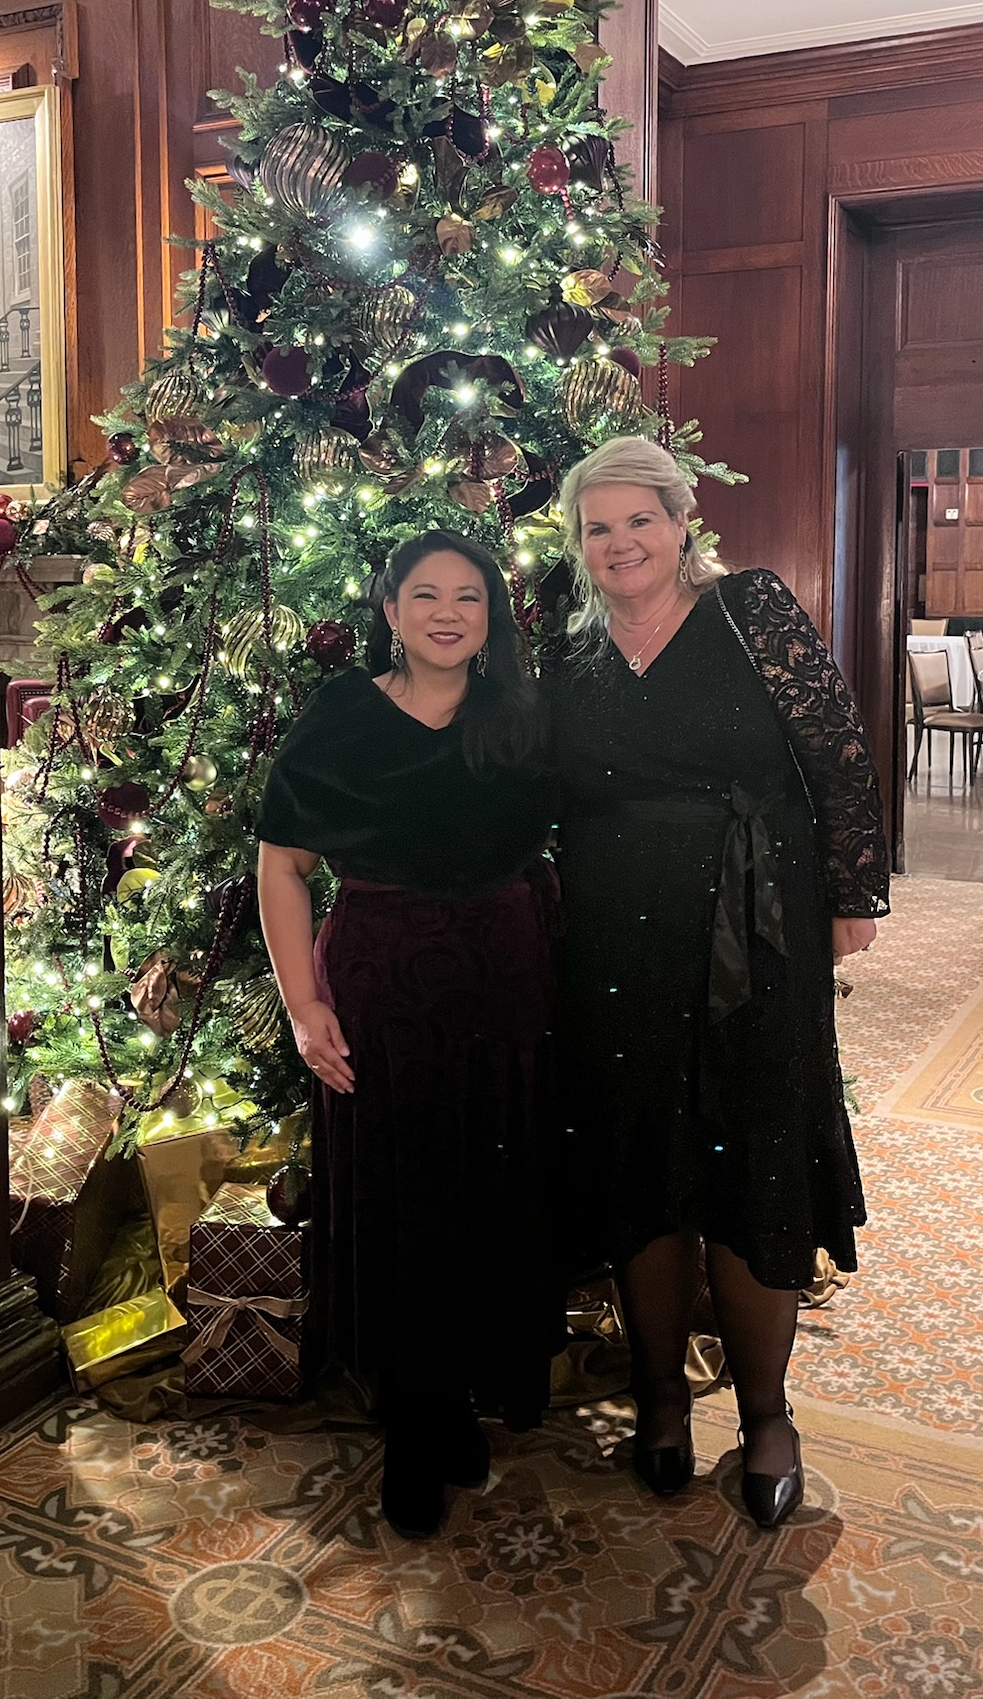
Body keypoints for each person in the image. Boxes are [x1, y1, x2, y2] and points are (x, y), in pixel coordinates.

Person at [544, 437, 889, 1530]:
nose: (620, 544)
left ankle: (767, 1413)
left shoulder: (752, 609)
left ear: (681, 519)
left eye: (639, 519)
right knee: (642, 1159)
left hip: (758, 925)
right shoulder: (569, 649)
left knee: (756, 1155)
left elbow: (837, 751)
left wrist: (851, 892)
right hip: (613, 943)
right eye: (598, 527)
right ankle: (658, 1395)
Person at [256, 528, 562, 1538]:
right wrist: (303, 1003)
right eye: (424, 594)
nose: (446, 613)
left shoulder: (520, 714)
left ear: (491, 617)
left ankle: (458, 1394)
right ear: (389, 610)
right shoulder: (343, 713)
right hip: (382, 988)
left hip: (502, 985)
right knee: (400, 1192)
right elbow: (283, 866)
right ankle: (413, 1420)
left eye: (468, 596)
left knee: (486, 1187)